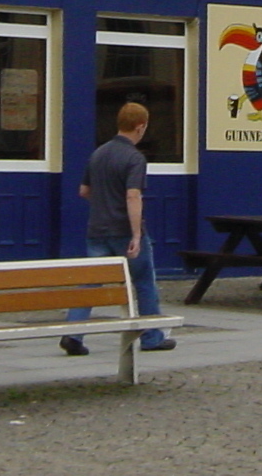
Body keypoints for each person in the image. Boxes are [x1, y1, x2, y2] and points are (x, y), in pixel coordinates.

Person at [61, 102, 176, 356]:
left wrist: (104, 203)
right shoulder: (135, 158)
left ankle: (73, 333)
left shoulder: (98, 153)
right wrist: (136, 234)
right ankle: (151, 336)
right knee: (144, 280)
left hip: (97, 229)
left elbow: (84, 191)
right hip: (124, 230)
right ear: (140, 126)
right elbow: (133, 196)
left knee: (91, 282)